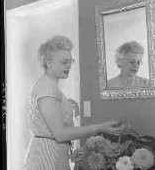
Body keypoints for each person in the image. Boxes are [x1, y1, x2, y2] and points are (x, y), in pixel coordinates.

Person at [23, 35, 125, 170]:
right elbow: (61, 134)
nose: (69, 66)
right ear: (48, 62)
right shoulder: (47, 88)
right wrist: (100, 127)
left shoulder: (50, 87)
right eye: (64, 62)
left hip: (53, 153)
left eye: (71, 61)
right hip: (46, 155)